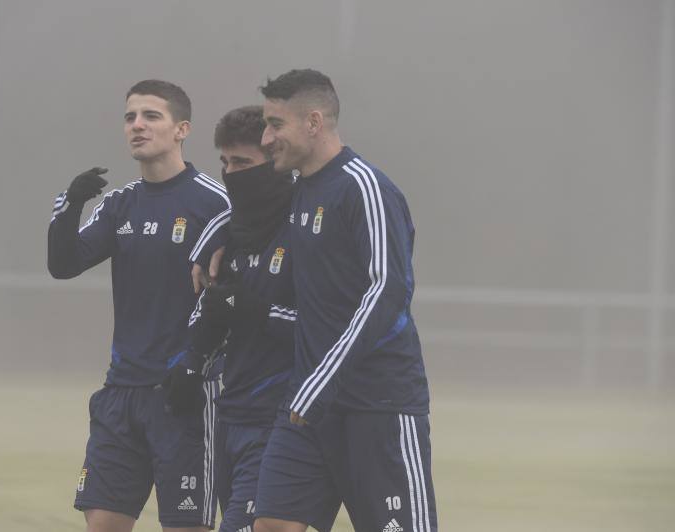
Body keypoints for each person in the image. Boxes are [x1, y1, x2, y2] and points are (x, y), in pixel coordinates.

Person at [252, 69, 438, 532]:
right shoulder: (299, 194)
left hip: (378, 407)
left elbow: (388, 290)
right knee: (271, 524)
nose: (266, 137)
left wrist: (324, 380)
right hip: (307, 410)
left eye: (276, 124)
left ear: (313, 122)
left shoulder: (364, 187)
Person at [47, 79, 229, 532]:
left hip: (185, 393)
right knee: (102, 523)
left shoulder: (215, 202)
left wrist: (200, 360)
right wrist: (70, 205)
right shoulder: (118, 204)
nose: (137, 125)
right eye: (130, 117)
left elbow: (235, 298)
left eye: (151, 116)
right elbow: (64, 264)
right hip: (121, 395)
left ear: (181, 128)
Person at [176, 106, 322, 532]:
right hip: (230, 411)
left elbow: (325, 329)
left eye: (242, 162)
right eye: (224, 162)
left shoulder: (308, 227)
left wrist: (256, 312)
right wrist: (191, 361)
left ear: (274, 160)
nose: (230, 173)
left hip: (282, 416)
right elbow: (213, 306)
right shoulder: (230, 231)